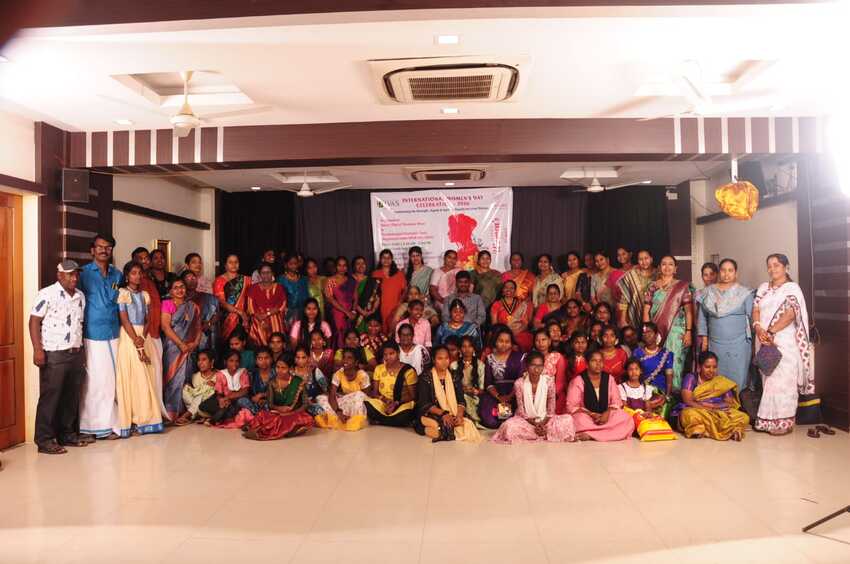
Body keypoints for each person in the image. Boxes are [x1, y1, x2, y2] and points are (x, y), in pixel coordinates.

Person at [29, 260, 91, 454]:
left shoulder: (80, 296)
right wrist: (37, 349)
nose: (74, 278)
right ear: (59, 275)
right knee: (51, 396)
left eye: (76, 274)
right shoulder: (47, 294)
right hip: (54, 352)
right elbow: (33, 321)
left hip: (75, 351)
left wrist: (82, 351)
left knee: (71, 396)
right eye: (70, 274)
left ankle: (67, 434)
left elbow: (79, 324)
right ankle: (44, 440)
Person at [752, 253, 812, 436]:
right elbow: (755, 309)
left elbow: (791, 314)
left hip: (784, 341)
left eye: (776, 265)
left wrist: (771, 331)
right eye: (769, 265)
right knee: (769, 382)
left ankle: (784, 422)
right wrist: (758, 328)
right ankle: (767, 421)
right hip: (764, 340)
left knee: (783, 382)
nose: (772, 269)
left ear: (786, 267)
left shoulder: (792, 288)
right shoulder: (763, 288)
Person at [78, 234, 123, 439]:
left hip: (114, 332)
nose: (104, 250)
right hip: (92, 334)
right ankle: (91, 426)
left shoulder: (117, 274)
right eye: (100, 247)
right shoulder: (84, 274)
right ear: (92, 250)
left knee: (112, 381)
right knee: (95, 381)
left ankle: (109, 423)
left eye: (108, 247)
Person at [114, 261, 163, 437]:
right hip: (129, 337)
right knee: (133, 376)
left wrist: (143, 336)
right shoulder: (123, 293)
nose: (137, 276)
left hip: (144, 335)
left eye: (139, 273)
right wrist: (135, 339)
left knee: (147, 375)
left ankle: (147, 418)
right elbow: (124, 319)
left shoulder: (145, 295)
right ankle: (133, 419)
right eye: (133, 273)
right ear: (127, 276)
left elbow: (149, 318)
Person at [492, 351, 576, 444]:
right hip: (526, 421)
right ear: (527, 366)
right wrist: (535, 424)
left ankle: (540, 433)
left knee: (568, 420)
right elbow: (521, 410)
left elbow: (551, 408)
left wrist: (543, 423)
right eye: (533, 365)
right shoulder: (519, 383)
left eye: (540, 366)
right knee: (509, 426)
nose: (536, 369)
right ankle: (544, 434)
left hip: (545, 420)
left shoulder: (549, 382)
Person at [696, 258, 754, 391]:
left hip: (739, 344)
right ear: (719, 272)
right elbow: (703, 317)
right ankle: (717, 405)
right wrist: (704, 338)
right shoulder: (708, 292)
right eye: (723, 270)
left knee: (737, 376)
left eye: (730, 270)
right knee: (716, 377)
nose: (726, 274)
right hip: (715, 343)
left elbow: (752, 318)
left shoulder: (744, 293)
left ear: (736, 273)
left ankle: (735, 406)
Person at [643, 255, 693, 390]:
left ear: (675, 268)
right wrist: (647, 331)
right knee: (655, 358)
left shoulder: (683, 287)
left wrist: (688, 332)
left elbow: (689, 311)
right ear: (659, 268)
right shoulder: (652, 286)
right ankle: (655, 391)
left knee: (675, 360)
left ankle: (674, 393)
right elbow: (646, 309)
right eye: (664, 264)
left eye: (671, 264)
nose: (667, 267)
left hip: (676, 331)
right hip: (656, 330)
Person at [414, 346, 482, 443]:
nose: (444, 361)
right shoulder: (425, 377)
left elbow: (461, 399)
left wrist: (459, 415)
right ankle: (421, 426)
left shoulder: (454, 376)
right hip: (431, 412)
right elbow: (424, 403)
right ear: (433, 360)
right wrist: (443, 414)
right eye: (440, 358)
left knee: (462, 424)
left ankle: (440, 430)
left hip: (452, 412)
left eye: (446, 358)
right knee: (440, 427)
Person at [676, 351, 749, 441]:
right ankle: (728, 430)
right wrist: (706, 408)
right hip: (698, 410)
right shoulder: (691, 378)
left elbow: (729, 403)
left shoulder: (721, 381)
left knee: (744, 417)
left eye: (714, 367)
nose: (711, 370)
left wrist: (714, 407)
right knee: (688, 414)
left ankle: (707, 430)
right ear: (699, 367)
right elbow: (687, 400)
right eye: (707, 367)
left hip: (718, 412)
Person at [131, 247, 168, 420]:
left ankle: (155, 412)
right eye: (141, 258)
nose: (145, 261)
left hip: (154, 333)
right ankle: (145, 414)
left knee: (156, 373)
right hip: (142, 335)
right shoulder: (133, 285)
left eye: (147, 258)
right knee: (144, 375)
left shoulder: (149, 281)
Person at [566, 350, 635, 441]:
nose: (598, 364)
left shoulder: (609, 379)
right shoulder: (578, 380)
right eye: (594, 361)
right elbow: (572, 407)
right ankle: (607, 433)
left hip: (607, 417)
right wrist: (592, 414)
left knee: (625, 418)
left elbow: (616, 402)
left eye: (600, 361)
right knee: (578, 419)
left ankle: (591, 434)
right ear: (587, 364)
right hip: (587, 418)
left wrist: (607, 413)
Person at [243, 354, 314, 440]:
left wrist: (292, 412)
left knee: (307, 418)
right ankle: (289, 431)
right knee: (265, 416)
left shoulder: (298, 382)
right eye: (277, 367)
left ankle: (287, 429)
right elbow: (270, 404)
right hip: (278, 413)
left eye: (283, 368)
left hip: (294, 413)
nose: (279, 370)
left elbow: (305, 404)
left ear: (290, 369)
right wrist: (280, 408)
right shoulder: (272, 382)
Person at [161, 278, 202, 422]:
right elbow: (165, 327)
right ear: (170, 291)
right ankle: (171, 412)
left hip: (189, 348)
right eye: (176, 287)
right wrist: (180, 344)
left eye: (182, 287)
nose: (180, 290)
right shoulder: (167, 304)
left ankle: (185, 412)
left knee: (187, 378)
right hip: (173, 348)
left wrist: (195, 343)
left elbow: (198, 327)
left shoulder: (193, 306)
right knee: (172, 380)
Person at [315, 348, 371, 431]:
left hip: (357, 405)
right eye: (344, 357)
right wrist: (338, 411)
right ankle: (337, 418)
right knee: (321, 398)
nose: (345, 360)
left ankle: (353, 420)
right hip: (343, 405)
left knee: (358, 395)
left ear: (356, 362)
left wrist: (350, 396)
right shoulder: (338, 374)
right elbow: (332, 395)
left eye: (349, 358)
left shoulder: (362, 375)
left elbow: (365, 397)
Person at [365, 341, 418, 426]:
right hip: (383, 402)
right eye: (385, 354)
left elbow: (413, 396)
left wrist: (396, 403)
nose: (388, 357)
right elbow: (374, 393)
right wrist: (385, 400)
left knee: (406, 413)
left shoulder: (408, 371)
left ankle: (382, 420)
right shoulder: (379, 369)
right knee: (367, 404)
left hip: (400, 404)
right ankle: (392, 421)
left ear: (398, 353)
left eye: (391, 354)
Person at [480, 327, 525, 429]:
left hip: (515, 393)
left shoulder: (520, 357)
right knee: (491, 421)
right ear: (495, 342)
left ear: (511, 343)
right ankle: (503, 420)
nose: (504, 344)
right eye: (500, 341)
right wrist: (499, 397)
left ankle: (509, 419)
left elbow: (521, 379)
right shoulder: (489, 358)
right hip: (496, 394)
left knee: (514, 419)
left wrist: (509, 396)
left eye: (507, 341)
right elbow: (488, 383)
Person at [198, 350, 253, 425]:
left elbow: (245, 390)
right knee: (203, 405)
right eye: (231, 361)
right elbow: (219, 393)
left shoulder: (243, 372)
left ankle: (216, 418)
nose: (234, 363)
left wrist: (228, 397)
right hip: (226, 401)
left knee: (242, 401)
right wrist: (221, 400)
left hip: (237, 400)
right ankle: (226, 414)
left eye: (237, 361)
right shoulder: (221, 374)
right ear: (225, 362)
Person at [213, 254, 251, 347]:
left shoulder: (247, 280)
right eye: (230, 262)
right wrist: (239, 312)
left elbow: (250, 300)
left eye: (236, 262)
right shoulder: (219, 281)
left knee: (242, 345)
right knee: (227, 347)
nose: (234, 264)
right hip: (226, 319)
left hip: (244, 319)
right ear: (225, 265)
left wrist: (246, 315)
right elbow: (221, 302)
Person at [246, 262, 286, 348]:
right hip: (258, 319)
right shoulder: (253, 288)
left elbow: (282, 304)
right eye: (263, 273)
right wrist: (260, 317)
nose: (266, 275)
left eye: (268, 272)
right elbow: (250, 307)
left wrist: (268, 314)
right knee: (260, 341)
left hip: (275, 318)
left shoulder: (279, 287)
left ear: (272, 273)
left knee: (276, 340)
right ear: (259, 274)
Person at [183, 270, 219, 362]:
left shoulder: (208, 297)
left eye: (193, 278)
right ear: (182, 282)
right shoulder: (180, 300)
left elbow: (216, 314)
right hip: (186, 337)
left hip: (205, 335)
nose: (192, 280)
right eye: (188, 278)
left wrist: (209, 323)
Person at [632, 322, 674, 402]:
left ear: (656, 334)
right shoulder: (637, 353)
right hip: (641, 392)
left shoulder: (666, 354)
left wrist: (667, 396)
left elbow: (669, 378)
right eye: (644, 333)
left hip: (660, 393)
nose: (646, 335)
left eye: (649, 332)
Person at [451, 336, 486, 428]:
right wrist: (461, 389)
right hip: (458, 396)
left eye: (470, 346)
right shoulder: (453, 365)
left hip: (475, 397)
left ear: (474, 348)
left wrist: (474, 390)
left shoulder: (480, 365)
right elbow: (450, 385)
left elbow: (482, 389)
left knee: (467, 398)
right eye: (464, 346)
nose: (467, 349)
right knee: (462, 397)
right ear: (460, 349)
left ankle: (472, 419)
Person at [617, 249, 656, 329]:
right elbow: (624, 299)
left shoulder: (658, 274)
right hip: (635, 314)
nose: (644, 262)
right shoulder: (631, 275)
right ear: (637, 261)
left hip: (656, 314)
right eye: (641, 259)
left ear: (651, 259)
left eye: (646, 258)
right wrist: (623, 319)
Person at [490, 280, 533, 351]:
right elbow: (494, 324)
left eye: (511, 288)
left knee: (524, 341)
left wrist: (514, 333)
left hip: (518, 333)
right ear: (502, 290)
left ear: (515, 291)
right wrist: (505, 333)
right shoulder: (496, 304)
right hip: (501, 333)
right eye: (506, 287)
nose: (508, 290)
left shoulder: (521, 304)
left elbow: (525, 324)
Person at [373, 249, 408, 334]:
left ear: (392, 259)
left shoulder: (399, 274)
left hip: (395, 307)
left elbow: (405, 290)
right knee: (381, 331)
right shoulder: (375, 274)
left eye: (388, 258)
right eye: (383, 258)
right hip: (379, 307)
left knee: (394, 330)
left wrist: (400, 301)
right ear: (380, 260)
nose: (386, 260)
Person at [324, 256, 357, 347]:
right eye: (339, 265)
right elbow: (330, 299)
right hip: (337, 314)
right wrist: (346, 312)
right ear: (335, 266)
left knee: (350, 335)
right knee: (339, 335)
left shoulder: (351, 280)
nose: (342, 268)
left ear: (347, 267)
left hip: (351, 314)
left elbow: (355, 297)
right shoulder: (330, 281)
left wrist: (353, 311)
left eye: (344, 265)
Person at [557, 331, 590, 413]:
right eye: (577, 342)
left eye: (583, 342)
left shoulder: (590, 360)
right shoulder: (566, 359)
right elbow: (563, 379)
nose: (580, 345)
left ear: (587, 344)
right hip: (568, 392)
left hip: (586, 393)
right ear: (572, 344)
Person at [293, 346, 331, 416]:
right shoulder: (290, 373)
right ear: (294, 359)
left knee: (322, 411)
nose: (300, 360)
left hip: (315, 403)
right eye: (298, 358)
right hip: (296, 405)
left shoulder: (315, 371)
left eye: (303, 357)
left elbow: (325, 390)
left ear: (308, 358)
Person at [182, 350, 217, 422]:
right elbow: (195, 394)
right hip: (197, 407)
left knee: (208, 387)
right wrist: (190, 388)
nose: (200, 363)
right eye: (198, 360)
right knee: (185, 388)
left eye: (204, 360)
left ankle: (187, 415)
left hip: (206, 408)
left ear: (212, 362)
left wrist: (215, 386)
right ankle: (195, 414)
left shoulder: (219, 375)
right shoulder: (195, 376)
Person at [277, 253, 310, 327]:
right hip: (288, 313)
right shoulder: (281, 279)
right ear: (286, 265)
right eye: (291, 264)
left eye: (295, 263)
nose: (293, 266)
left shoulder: (303, 279)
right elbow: (279, 298)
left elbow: (307, 296)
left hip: (303, 312)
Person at [352, 256, 381, 334]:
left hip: (369, 314)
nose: (361, 266)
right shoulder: (350, 280)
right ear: (354, 266)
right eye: (358, 264)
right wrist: (361, 311)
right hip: (354, 314)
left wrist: (373, 310)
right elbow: (350, 299)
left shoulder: (372, 281)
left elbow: (377, 297)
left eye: (363, 263)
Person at [248, 347, 274, 412]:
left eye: (266, 358)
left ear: (271, 359)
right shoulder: (252, 374)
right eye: (260, 358)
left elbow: (280, 392)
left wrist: (262, 395)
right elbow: (247, 392)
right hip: (255, 404)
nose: (263, 361)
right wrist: (254, 399)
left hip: (272, 403)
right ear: (256, 361)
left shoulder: (277, 373)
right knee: (241, 400)